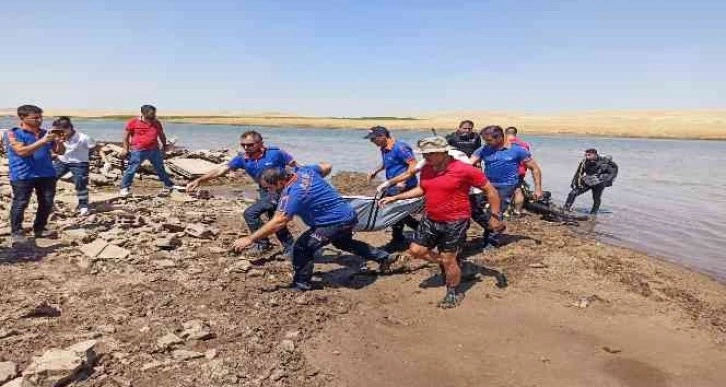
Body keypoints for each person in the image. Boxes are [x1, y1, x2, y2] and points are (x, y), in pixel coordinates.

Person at [379, 137, 504, 308]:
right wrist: (396, 197)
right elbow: (423, 188)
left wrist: (495, 216)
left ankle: (453, 292)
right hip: (431, 218)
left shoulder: (465, 170)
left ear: (444, 152)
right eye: (424, 154)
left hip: (455, 222)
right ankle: (455, 265)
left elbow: (490, 190)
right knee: (416, 251)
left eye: (431, 154)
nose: (427, 157)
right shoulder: (428, 169)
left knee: (448, 259)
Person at [232, 163, 397, 291]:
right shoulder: (305, 171)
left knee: (302, 247)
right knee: (343, 243)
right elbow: (326, 166)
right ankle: (384, 257)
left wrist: (250, 238)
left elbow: (279, 220)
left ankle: (301, 284)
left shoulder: (293, 193)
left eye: (270, 187)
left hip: (333, 222)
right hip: (348, 215)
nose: (268, 191)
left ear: (281, 181)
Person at [187, 130, 297, 255]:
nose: (246, 148)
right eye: (243, 145)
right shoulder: (242, 159)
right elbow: (221, 170)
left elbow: (296, 166)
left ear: (260, 143)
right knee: (274, 218)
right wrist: (199, 180)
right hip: (264, 190)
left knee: (250, 213)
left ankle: (262, 244)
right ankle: (290, 249)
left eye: (250, 145)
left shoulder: (276, 153)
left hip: (281, 191)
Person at [2, 105, 65, 245]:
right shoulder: (13, 133)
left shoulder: (45, 133)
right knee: (21, 203)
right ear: (22, 118)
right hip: (23, 174)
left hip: (46, 173)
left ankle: (40, 228)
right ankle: (16, 232)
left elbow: (60, 152)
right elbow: (22, 152)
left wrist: (59, 142)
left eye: (40, 117)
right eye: (35, 117)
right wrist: (43, 141)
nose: (39, 120)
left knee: (47, 202)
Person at [365, 126, 419, 250]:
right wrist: (376, 171)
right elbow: (387, 162)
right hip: (392, 184)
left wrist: (404, 181)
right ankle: (417, 229)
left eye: (373, 139)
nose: (371, 142)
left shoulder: (400, 147)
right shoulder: (384, 148)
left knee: (394, 210)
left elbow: (414, 165)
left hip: (404, 186)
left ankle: (398, 238)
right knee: (396, 211)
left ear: (382, 137)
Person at [119, 104, 175, 197]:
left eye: (154, 113)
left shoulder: (156, 122)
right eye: (151, 113)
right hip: (138, 150)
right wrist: (125, 149)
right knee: (132, 169)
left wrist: (164, 145)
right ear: (144, 113)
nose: (154, 115)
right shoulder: (133, 122)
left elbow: (161, 134)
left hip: (154, 150)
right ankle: (124, 188)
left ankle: (168, 185)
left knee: (160, 168)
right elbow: (125, 137)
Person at [52, 117, 96, 216]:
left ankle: (83, 206)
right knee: (49, 179)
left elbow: (93, 147)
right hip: (62, 160)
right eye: (57, 131)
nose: (58, 133)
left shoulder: (83, 138)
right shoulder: (57, 135)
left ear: (69, 128)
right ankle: (49, 203)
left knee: (80, 183)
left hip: (79, 162)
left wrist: (86, 156)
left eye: (61, 131)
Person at [564, 148, 618, 214]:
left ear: (595, 155)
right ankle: (566, 209)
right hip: (588, 181)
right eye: (586, 155)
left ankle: (593, 213)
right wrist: (574, 182)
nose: (587, 157)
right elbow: (578, 173)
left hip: (599, 183)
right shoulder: (584, 162)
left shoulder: (605, 161)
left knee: (596, 198)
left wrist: (607, 180)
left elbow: (613, 172)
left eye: (589, 155)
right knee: (572, 193)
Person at [504, 126, 531, 216]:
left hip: (507, 170)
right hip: (521, 170)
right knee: (518, 190)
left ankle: (506, 211)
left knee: (506, 190)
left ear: (506, 133)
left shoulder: (504, 143)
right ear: (515, 133)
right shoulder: (524, 144)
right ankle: (517, 210)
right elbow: (528, 158)